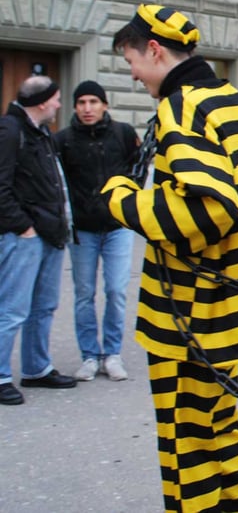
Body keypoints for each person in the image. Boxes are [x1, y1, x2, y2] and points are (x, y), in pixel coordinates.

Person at [102, 4, 238, 512]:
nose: (131, 73)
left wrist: (119, 197)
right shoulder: (226, 96)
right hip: (227, 307)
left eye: (131, 59)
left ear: (153, 50)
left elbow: (207, 212)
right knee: (220, 432)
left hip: (189, 316)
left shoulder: (183, 106)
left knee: (186, 444)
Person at [54, 80, 140, 382]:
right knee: (84, 294)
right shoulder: (63, 140)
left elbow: (139, 169)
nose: (87, 108)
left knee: (116, 291)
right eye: (81, 103)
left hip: (117, 227)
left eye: (93, 102)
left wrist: (132, 205)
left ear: (104, 105)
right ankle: (90, 355)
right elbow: (56, 181)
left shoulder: (123, 134)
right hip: (83, 230)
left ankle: (112, 353)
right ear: (75, 107)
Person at [0, 75, 76, 406]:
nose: (60, 105)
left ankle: (36, 368)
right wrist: (22, 228)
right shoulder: (10, 131)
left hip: (49, 234)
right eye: (57, 99)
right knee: (13, 309)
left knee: (43, 307)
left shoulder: (40, 131)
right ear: (43, 101)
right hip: (25, 236)